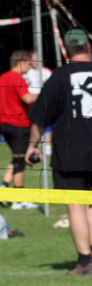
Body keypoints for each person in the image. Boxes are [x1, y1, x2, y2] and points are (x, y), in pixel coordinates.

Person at [25, 29, 92, 275]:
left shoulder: (59, 75)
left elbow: (40, 116)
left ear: (66, 49)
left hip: (70, 148)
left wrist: (32, 146)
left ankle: (85, 260)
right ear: (88, 47)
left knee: (75, 205)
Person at [0, 50, 39, 208]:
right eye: (29, 64)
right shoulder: (17, 78)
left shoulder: (2, 77)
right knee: (21, 161)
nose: (31, 68)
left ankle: (4, 187)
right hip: (19, 125)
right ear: (21, 63)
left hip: (4, 124)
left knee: (17, 158)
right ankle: (19, 198)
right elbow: (27, 98)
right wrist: (46, 94)